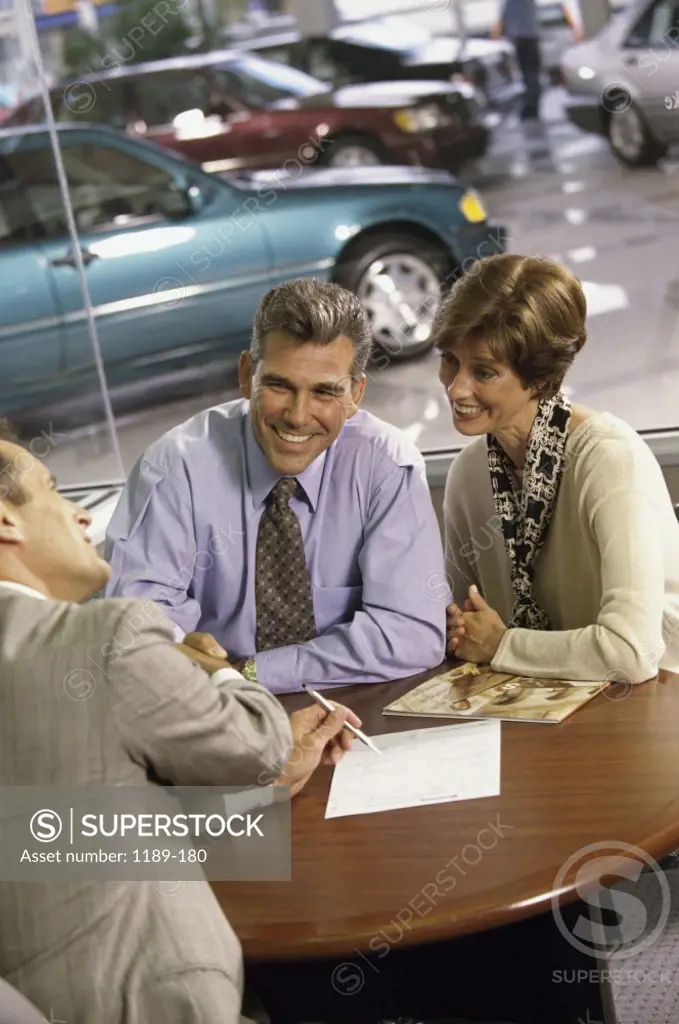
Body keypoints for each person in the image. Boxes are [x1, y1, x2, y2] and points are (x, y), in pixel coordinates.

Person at [0, 418, 360, 1024]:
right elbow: (260, 744)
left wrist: (257, 793)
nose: (81, 516)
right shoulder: (104, 638)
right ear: (6, 522)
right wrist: (209, 663)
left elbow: (57, 836)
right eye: (55, 490)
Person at [105, 278, 448, 694]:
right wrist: (187, 655)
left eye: (325, 392)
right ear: (247, 373)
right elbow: (134, 627)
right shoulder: (175, 468)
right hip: (216, 709)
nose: (298, 416)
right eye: (279, 386)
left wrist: (249, 672)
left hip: (350, 701)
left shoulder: (385, 466)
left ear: (355, 394)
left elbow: (412, 634)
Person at [436, 253, 679, 683]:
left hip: (654, 701)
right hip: (536, 700)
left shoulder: (609, 459)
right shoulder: (467, 475)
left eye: (484, 371)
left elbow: (632, 652)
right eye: (450, 360)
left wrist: (502, 644)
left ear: (540, 378)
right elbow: (464, 628)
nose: (456, 387)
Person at [492, 0, 543, 120]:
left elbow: (504, 17)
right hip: (531, 36)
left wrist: (497, 33)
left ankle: (530, 107)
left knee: (525, 75)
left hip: (519, 38)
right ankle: (533, 106)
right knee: (532, 75)